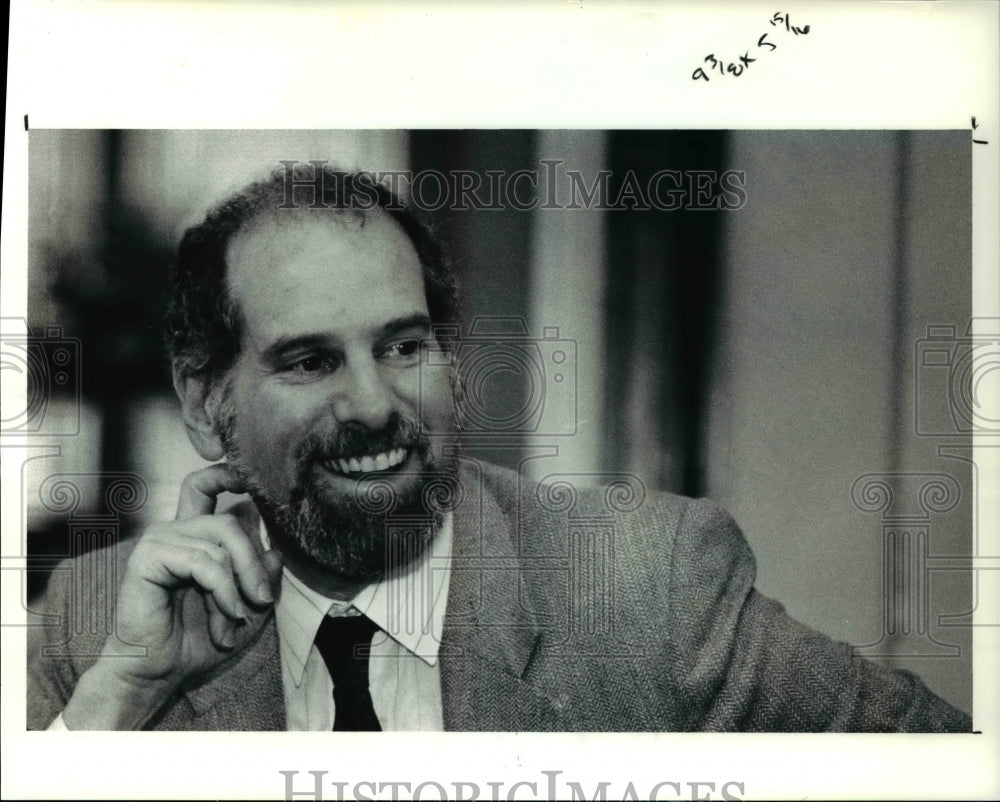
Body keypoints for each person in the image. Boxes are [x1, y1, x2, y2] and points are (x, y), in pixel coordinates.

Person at [27, 165, 971, 732]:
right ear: (207, 404)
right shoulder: (94, 626)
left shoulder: (648, 586)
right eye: (311, 360)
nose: (374, 405)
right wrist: (122, 696)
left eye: (405, 346)